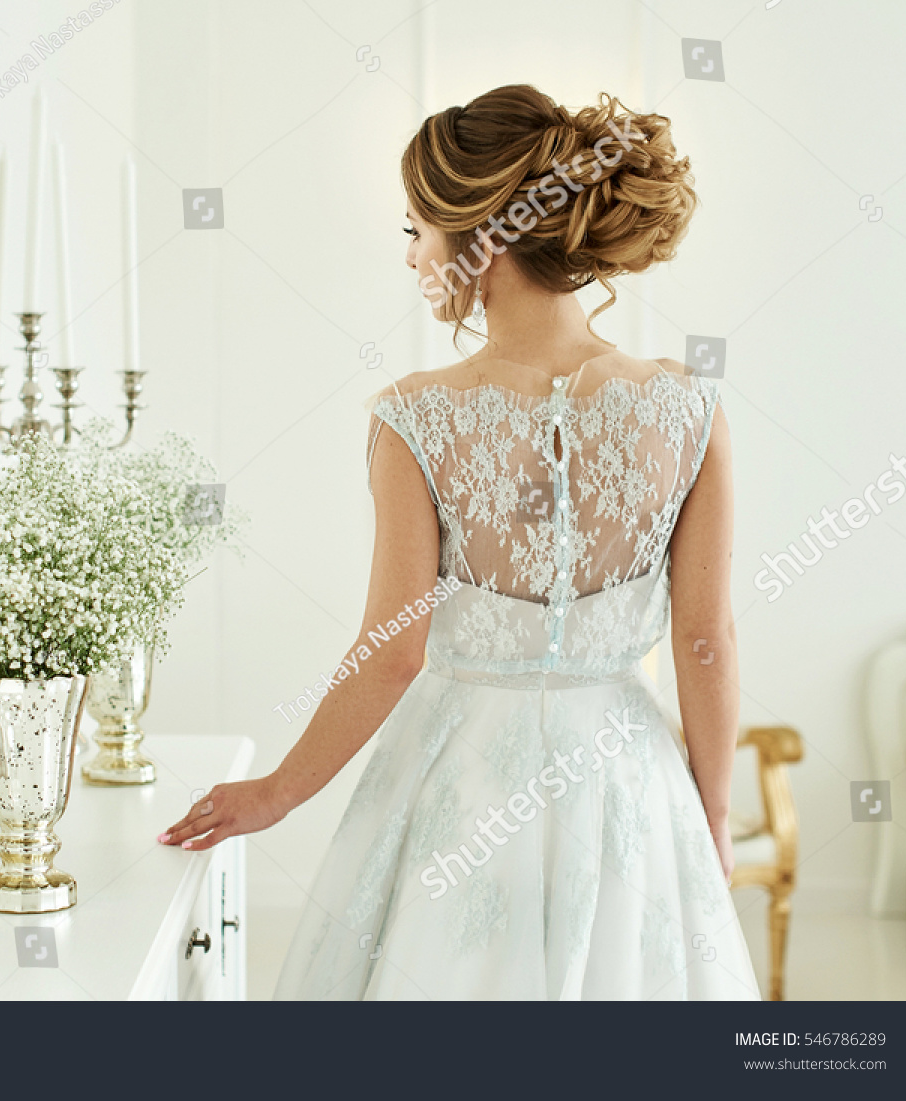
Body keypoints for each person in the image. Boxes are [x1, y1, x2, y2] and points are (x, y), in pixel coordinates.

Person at [159, 84, 758, 1000]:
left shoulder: (415, 415)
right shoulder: (688, 406)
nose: (412, 259)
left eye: (416, 231)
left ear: (481, 236)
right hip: (628, 781)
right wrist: (710, 812)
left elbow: (393, 652)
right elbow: (705, 642)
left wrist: (277, 791)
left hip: (461, 784)